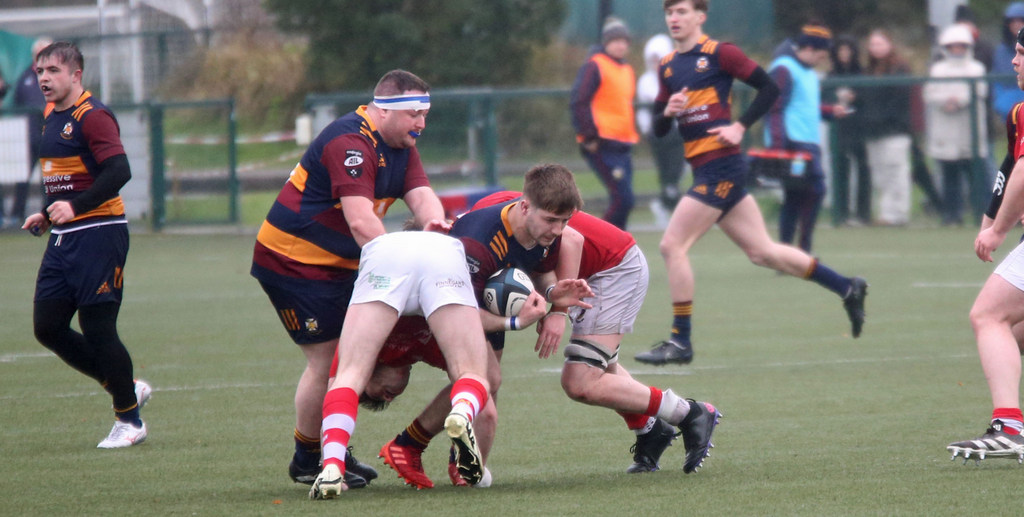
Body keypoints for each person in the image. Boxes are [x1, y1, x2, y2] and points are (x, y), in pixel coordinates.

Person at [634, 0, 868, 366]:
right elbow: (660, 130)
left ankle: (681, 341)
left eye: (681, 12)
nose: (674, 19)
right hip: (707, 170)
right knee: (764, 252)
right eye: (669, 13)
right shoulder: (667, 66)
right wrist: (667, 111)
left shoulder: (719, 52)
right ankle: (847, 286)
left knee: (671, 244)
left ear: (700, 16)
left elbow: (769, 88)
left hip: (722, 168)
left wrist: (740, 125)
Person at [250, 69, 449, 488]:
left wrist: (438, 229)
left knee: (353, 359)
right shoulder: (351, 142)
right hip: (293, 261)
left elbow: (423, 200)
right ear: (386, 109)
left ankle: (332, 450)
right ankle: (308, 458)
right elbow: (361, 223)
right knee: (329, 363)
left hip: (342, 265)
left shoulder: (401, 145)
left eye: (425, 114)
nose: (422, 124)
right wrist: (407, 269)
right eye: (415, 113)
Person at [377, 164, 594, 488]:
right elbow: (461, 311)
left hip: (482, 304)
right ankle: (412, 447)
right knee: (487, 396)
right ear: (524, 207)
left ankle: (447, 460)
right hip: (445, 305)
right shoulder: (479, 242)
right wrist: (516, 321)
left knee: (487, 386)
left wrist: (553, 292)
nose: (558, 229)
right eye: (551, 220)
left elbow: (543, 269)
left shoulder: (546, 233)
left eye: (564, 221)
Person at [484, 190, 720, 475]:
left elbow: (571, 238)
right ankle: (650, 430)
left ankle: (689, 413)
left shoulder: (486, 221)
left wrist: (558, 311)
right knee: (601, 366)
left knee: (580, 380)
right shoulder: (483, 223)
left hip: (615, 268)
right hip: (594, 270)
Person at [20, 41, 151, 448]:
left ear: (76, 75)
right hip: (64, 238)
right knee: (48, 327)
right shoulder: (50, 115)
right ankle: (125, 386)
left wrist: (74, 206)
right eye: (40, 71)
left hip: (100, 233)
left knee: (98, 328)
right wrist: (47, 211)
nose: (44, 78)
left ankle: (129, 420)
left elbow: (119, 170)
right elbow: (64, 177)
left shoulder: (92, 116)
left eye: (53, 71)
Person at [308, 231, 496, 499]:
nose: (389, 396)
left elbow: (335, 386)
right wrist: (515, 322)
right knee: (472, 373)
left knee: (349, 375)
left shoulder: (371, 350)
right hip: (442, 254)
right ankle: (462, 413)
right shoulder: (428, 348)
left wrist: (329, 457)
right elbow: (488, 409)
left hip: (386, 257)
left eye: (374, 393)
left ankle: (330, 469)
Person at [947, 27, 1024, 463]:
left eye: (1020, 53)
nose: (1013, 61)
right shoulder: (1018, 114)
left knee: (989, 316)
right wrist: (990, 219)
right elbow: (1009, 166)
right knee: (1013, 335)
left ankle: (1009, 426)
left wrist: (997, 231)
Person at [764, 23, 849, 253]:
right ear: (809, 48)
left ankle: (786, 254)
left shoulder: (808, 73)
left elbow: (805, 106)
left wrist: (830, 112)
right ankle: (802, 250)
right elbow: (775, 108)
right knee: (816, 189)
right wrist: (778, 148)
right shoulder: (784, 68)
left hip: (807, 142)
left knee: (794, 197)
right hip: (793, 143)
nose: (823, 59)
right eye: (821, 54)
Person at [570, 17, 640, 229]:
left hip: (623, 144)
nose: (620, 45)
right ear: (606, 42)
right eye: (615, 40)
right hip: (602, 144)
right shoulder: (595, 65)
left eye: (624, 40)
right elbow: (579, 101)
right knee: (623, 199)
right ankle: (600, 245)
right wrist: (589, 136)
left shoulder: (627, 69)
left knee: (626, 201)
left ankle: (617, 251)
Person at [923, 24, 988, 226]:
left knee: (977, 177)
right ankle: (952, 216)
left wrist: (959, 100)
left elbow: (980, 91)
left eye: (961, 46)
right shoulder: (938, 69)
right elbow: (930, 93)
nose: (957, 50)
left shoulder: (976, 68)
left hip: (970, 131)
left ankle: (983, 216)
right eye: (953, 46)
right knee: (950, 178)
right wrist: (946, 102)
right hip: (946, 131)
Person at [859, 29, 914, 226]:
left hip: (895, 131)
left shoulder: (900, 68)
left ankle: (897, 214)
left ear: (889, 45)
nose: (876, 48)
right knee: (879, 174)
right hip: (874, 133)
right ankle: (885, 212)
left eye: (880, 43)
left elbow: (899, 101)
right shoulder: (867, 71)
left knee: (896, 171)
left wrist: (882, 118)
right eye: (873, 44)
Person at [637, 34, 687, 228]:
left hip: (676, 132)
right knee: (666, 173)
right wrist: (646, 129)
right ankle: (665, 206)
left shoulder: (676, 78)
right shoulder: (645, 81)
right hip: (658, 133)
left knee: (677, 171)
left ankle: (667, 205)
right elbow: (643, 109)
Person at [827, 35, 873, 226]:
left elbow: (869, 98)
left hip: (860, 128)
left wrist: (857, 96)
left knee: (863, 169)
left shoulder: (862, 74)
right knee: (840, 170)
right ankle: (842, 213)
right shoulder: (831, 75)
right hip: (839, 129)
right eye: (841, 50)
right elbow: (825, 97)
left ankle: (863, 214)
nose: (844, 54)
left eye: (848, 50)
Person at [7, 37, 52, 228]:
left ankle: (49, 214)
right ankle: (16, 216)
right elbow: (17, 103)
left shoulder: (56, 77)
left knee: (50, 178)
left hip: (50, 136)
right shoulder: (25, 77)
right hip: (28, 137)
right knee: (22, 177)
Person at [992, 3, 1024, 122]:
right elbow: (997, 82)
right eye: (1013, 21)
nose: (1017, 25)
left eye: (1021, 20)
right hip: (1009, 105)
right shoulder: (1001, 51)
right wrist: (1002, 104)